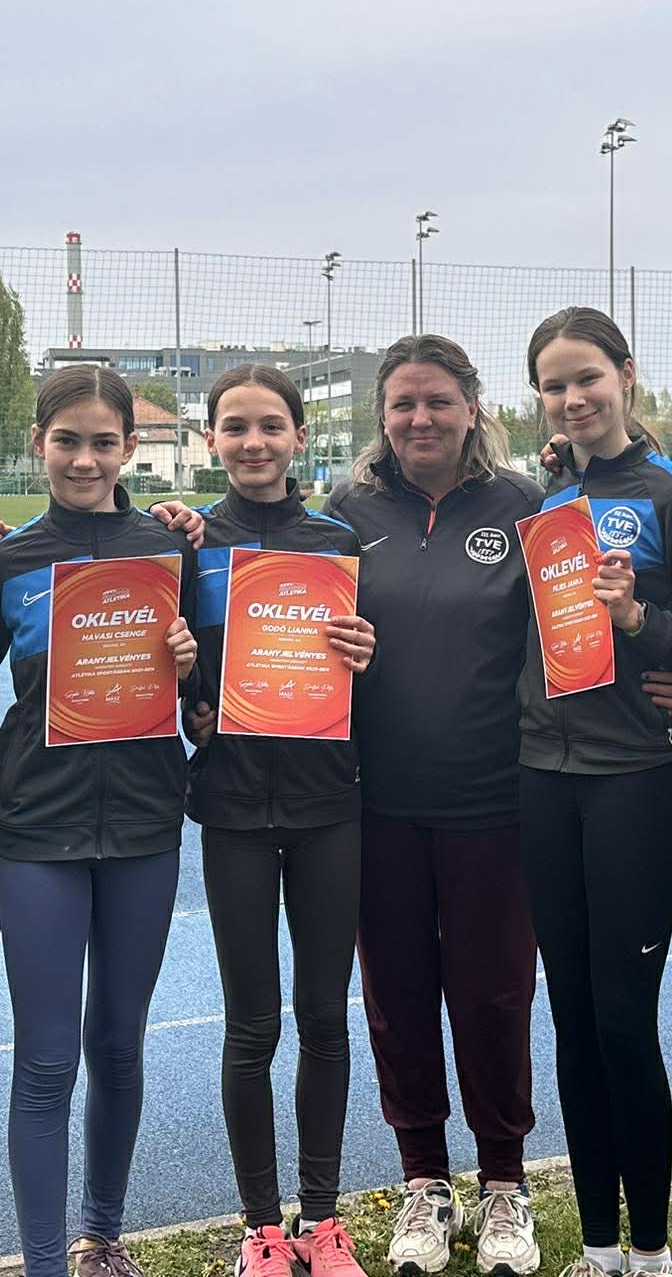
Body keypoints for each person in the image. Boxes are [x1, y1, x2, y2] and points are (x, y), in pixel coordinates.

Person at [296, 333, 672, 1277]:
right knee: (396, 999)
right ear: (382, 415)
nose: (420, 418)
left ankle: (506, 1184)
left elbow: (630, 555)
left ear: (473, 407)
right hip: (378, 802)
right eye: (403, 403)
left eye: (439, 401)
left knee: (493, 996)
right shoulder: (345, 514)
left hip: (501, 797)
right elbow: (264, 572)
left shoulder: (531, 504)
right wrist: (179, 527)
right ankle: (424, 1182)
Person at [0, 364, 200, 1277]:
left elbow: (209, 693)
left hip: (145, 822)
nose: (84, 459)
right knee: (45, 1061)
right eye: (67, 441)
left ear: (130, 448)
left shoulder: (171, 548)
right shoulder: (9, 561)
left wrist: (190, 662)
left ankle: (102, 1239)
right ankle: (43, 1265)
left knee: (118, 1045)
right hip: (37, 829)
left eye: (104, 442)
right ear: (39, 443)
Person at [518, 308, 672, 1277]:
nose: (572, 398)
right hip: (540, 779)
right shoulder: (544, 495)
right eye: (554, 385)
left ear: (626, 376)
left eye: (586, 378)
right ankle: (598, 1248)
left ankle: (652, 1251)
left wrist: (640, 621)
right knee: (569, 1018)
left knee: (622, 1021)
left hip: (637, 780)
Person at [180, 364, 376, 1277]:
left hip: (330, 805)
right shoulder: (185, 543)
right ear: (212, 440)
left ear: (300, 436)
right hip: (232, 809)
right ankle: (262, 1228)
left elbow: (368, 676)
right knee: (252, 1026)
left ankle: (323, 1221)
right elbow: (170, 671)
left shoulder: (339, 542)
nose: (253, 442)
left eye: (270, 426)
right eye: (235, 427)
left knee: (325, 1019)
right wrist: (193, 698)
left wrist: (367, 651)